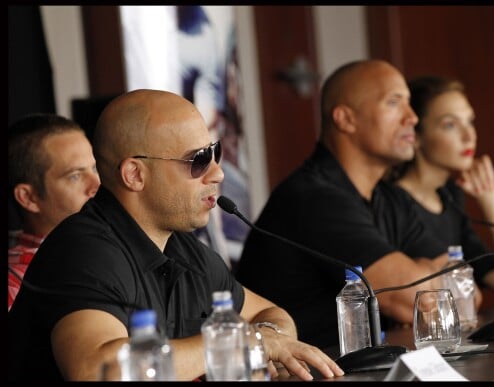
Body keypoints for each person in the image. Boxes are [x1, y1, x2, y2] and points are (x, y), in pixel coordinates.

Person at [7, 89, 344, 381]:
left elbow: (268, 315)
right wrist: (247, 342)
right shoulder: (82, 251)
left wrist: (267, 339)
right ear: (135, 175)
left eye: (215, 153)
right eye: (197, 160)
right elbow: (96, 370)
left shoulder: (183, 249)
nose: (218, 173)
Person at [235, 60, 468, 350]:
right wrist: (422, 271)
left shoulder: (388, 198)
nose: (412, 118)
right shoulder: (313, 197)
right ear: (346, 119)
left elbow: (463, 291)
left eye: (409, 104)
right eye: (394, 103)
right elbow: (410, 299)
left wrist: (419, 275)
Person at [385, 75, 494, 291]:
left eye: (470, 121)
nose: (469, 135)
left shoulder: (449, 196)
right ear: (416, 136)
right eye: (450, 124)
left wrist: (491, 200)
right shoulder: (391, 202)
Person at [8, 113, 100, 310]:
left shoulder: (108, 247)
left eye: (95, 169)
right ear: (29, 198)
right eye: (75, 176)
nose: (97, 185)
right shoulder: (15, 285)